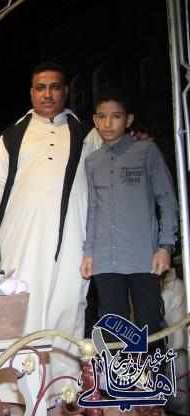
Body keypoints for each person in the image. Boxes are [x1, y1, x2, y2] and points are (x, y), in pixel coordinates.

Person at [0, 62, 101, 403]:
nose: (47, 94)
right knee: (21, 309)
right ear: (31, 93)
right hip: (19, 238)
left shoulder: (87, 134)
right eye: (40, 87)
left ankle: (63, 390)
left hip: (71, 238)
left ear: (65, 91)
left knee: (66, 305)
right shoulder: (13, 134)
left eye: (54, 87)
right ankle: (12, 392)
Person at [80, 88, 178, 351]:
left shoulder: (146, 151)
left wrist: (165, 247)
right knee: (112, 326)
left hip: (144, 257)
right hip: (105, 259)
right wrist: (89, 252)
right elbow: (92, 208)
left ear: (129, 119)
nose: (108, 123)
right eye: (102, 116)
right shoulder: (92, 161)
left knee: (149, 323)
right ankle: (118, 377)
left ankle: (153, 377)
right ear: (95, 119)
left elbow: (167, 200)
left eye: (116, 116)